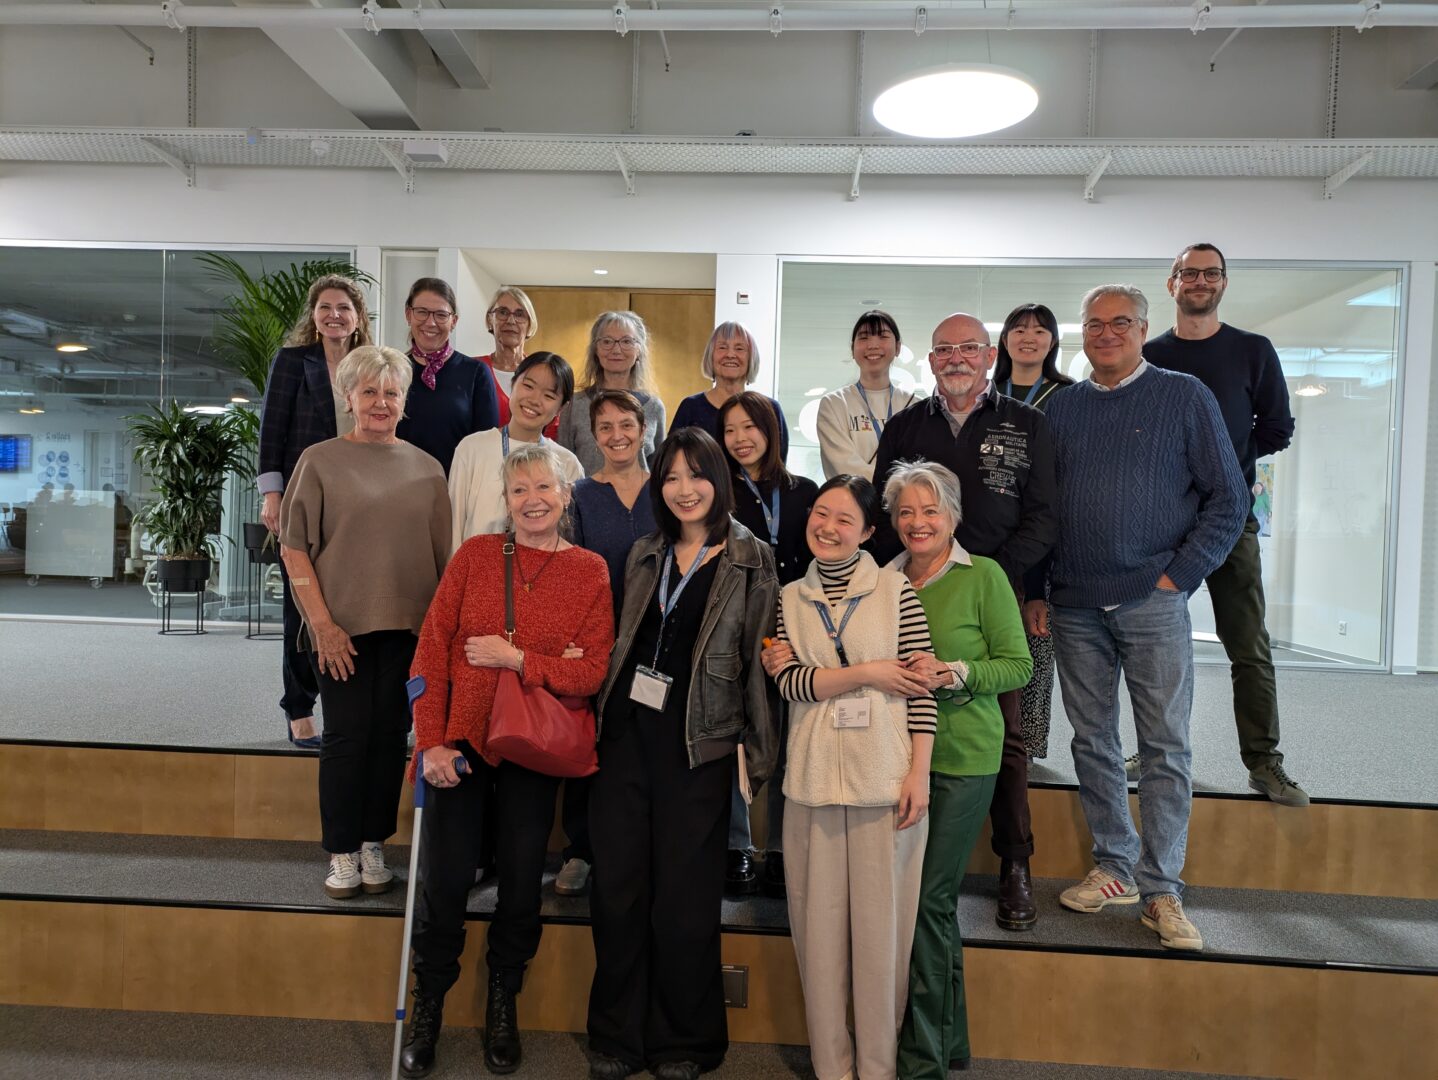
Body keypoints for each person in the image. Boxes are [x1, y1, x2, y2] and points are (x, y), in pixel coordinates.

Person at [401, 442, 615, 1078]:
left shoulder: (590, 572)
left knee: (521, 884)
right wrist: (430, 741)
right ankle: (429, 1004)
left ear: (566, 495)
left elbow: (592, 671)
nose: (532, 500)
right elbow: (432, 649)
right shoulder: (474, 556)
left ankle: (503, 1001)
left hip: (531, 747)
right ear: (506, 499)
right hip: (460, 743)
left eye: (543, 487)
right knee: (444, 881)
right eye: (519, 490)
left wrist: (517, 659)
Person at [1046, 284, 1247, 953]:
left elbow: (1229, 498)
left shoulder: (1184, 396)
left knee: (1164, 745)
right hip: (1075, 603)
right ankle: (1115, 867)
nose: (1106, 333)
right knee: (1092, 741)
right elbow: (1043, 508)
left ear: (1143, 327)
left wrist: (1178, 577)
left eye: (1120, 322)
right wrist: (1042, 588)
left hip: (1152, 599)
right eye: (1094, 324)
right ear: (1081, 332)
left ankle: (1163, 889)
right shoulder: (1062, 408)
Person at [587, 428, 780, 1080]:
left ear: (717, 481)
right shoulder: (645, 551)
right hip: (625, 738)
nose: (684, 488)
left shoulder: (752, 557)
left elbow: (757, 662)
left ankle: (684, 1041)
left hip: (698, 745)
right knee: (617, 892)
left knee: (683, 899)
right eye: (670, 477)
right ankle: (618, 1036)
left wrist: (759, 755)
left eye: (696, 475)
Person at [872, 312, 1057, 933]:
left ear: (989, 355)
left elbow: (1044, 515)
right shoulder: (905, 427)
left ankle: (1015, 862)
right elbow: (886, 513)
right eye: (944, 349)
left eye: (969, 348)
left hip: (994, 589)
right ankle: (912, 847)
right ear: (930, 360)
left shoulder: (1027, 424)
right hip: (916, 588)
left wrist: (987, 577)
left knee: (1007, 736)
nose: (956, 358)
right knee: (906, 713)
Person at [759, 474, 937, 1080]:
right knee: (818, 935)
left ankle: (877, 1067)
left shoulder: (895, 591)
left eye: (843, 519)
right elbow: (790, 684)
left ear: (866, 532)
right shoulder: (789, 597)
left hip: (885, 783)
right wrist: (869, 672)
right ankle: (831, 1067)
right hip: (810, 784)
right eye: (820, 514)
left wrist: (919, 772)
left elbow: (920, 688)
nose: (827, 528)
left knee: (883, 936)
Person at [277, 345, 450, 900]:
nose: (381, 402)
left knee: (390, 737)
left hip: (408, 629)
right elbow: (293, 548)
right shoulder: (320, 460)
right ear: (348, 398)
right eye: (369, 391)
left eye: (391, 392)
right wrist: (322, 626)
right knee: (347, 737)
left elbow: (443, 562)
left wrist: (438, 640)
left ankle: (374, 842)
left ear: (404, 400)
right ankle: (342, 852)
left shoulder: (428, 469)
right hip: (341, 630)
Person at [884, 462, 1032, 1078]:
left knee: (928, 902)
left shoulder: (984, 576)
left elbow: (1018, 665)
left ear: (953, 516)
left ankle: (921, 1062)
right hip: (897, 761)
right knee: (926, 906)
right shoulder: (883, 579)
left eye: (930, 510)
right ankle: (950, 1043)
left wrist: (954, 672)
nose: (917, 522)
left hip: (965, 757)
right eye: (906, 512)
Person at [1144, 243, 1306, 807]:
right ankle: (1153, 750)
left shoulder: (1252, 350)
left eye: (1210, 273)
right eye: (1189, 273)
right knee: (1153, 647)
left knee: (1248, 645)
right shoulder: (1149, 355)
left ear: (1224, 282)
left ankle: (1264, 762)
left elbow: (1277, 428)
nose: (1200, 281)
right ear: (1172, 283)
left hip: (1230, 523)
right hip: (1163, 524)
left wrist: (1229, 465)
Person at [259, 273, 374, 748]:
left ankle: (344, 707)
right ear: (314, 315)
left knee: (350, 607)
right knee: (301, 608)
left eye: (344, 307)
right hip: (302, 497)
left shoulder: (370, 364)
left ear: (358, 316)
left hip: (357, 502)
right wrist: (272, 494)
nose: (334, 315)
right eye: (325, 307)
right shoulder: (292, 361)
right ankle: (299, 708)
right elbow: (272, 429)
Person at [717, 391, 818, 898]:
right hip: (735, 627)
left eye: (749, 427)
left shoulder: (804, 491)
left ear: (771, 430)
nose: (740, 439)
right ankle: (737, 844)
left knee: (789, 737)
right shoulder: (718, 493)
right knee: (735, 732)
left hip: (797, 627)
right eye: (730, 430)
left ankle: (780, 847)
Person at [560, 390, 659, 899]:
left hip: (657, 640)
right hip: (598, 640)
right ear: (593, 436)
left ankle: (642, 847)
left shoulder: (667, 489)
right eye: (605, 427)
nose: (617, 435)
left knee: (646, 747)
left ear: (644, 430)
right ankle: (580, 849)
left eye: (626, 425)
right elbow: (569, 570)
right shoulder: (579, 494)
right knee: (590, 743)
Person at [992, 303, 1075, 762]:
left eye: (1040, 330)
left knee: (1034, 646)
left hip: (1048, 537)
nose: (1029, 337)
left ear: (1053, 341)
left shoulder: (1071, 396)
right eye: (1019, 329)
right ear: (1004, 340)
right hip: (993, 536)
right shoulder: (985, 394)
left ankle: (1024, 753)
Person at [449, 352, 583, 550]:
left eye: (548, 396)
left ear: (561, 408)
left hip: (541, 567)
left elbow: (569, 538)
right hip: (478, 566)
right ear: (513, 384)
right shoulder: (472, 448)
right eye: (528, 386)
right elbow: (454, 528)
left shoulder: (566, 462)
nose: (535, 400)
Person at [394, 276, 500, 475]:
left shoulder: (476, 373)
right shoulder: (392, 370)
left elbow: (487, 446)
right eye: (422, 312)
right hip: (400, 484)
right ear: (408, 315)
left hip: (456, 486)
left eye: (441, 315)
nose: (430, 322)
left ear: (454, 321)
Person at [815, 310, 922, 481]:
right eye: (864, 337)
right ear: (852, 349)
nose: (873, 345)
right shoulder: (834, 404)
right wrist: (896, 485)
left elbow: (921, 466)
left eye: (883, 336)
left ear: (898, 347)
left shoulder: (915, 407)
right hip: (853, 497)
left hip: (905, 498)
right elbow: (843, 466)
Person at [557, 311, 668, 475]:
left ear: (639, 350)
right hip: (584, 492)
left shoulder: (654, 407)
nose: (616, 350)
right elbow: (562, 466)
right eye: (607, 341)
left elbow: (660, 469)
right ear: (595, 349)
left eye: (627, 341)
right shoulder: (574, 405)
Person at [671, 322, 790, 458]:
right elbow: (672, 460)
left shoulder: (771, 409)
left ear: (751, 358)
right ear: (710, 356)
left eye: (739, 348)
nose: (730, 354)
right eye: (722, 347)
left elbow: (778, 463)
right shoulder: (690, 407)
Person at [477, 285, 558, 440]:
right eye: (502, 312)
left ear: (529, 324)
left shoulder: (544, 372)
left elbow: (552, 431)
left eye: (520, 314)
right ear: (490, 319)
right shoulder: (473, 369)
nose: (511, 320)